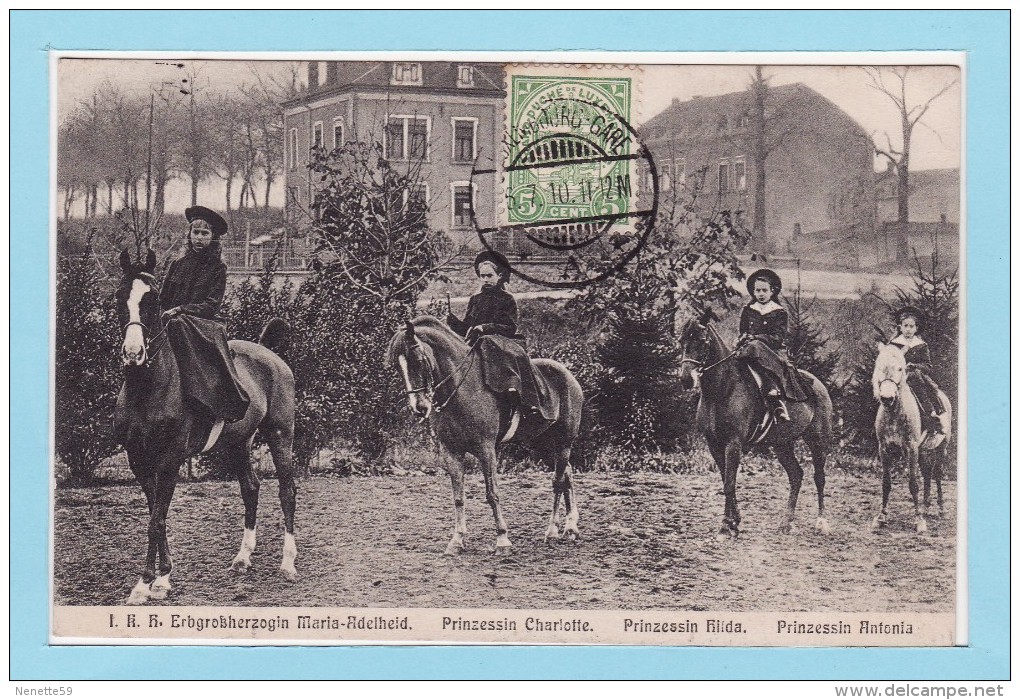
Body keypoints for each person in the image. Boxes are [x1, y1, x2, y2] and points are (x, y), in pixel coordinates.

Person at [161, 205, 250, 425]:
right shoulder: (177, 265)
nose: (199, 238)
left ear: (213, 238)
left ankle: (207, 397)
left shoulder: (217, 268)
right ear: (189, 235)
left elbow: (211, 304)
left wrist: (181, 310)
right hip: (172, 320)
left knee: (178, 326)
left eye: (205, 233)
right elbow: (163, 299)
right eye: (195, 232)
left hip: (203, 323)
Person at [447, 251, 552, 421]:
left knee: (488, 342)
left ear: (499, 276)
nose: (485, 280)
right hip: (479, 342)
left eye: (489, 276)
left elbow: (509, 327)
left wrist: (484, 328)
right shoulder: (475, 299)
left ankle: (514, 390)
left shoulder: (507, 299)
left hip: (504, 341)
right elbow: (468, 327)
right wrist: (454, 323)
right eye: (482, 276)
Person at [735, 268, 808, 421]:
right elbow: (742, 330)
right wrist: (742, 338)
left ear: (772, 291)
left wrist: (756, 338)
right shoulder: (748, 310)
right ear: (753, 292)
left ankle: (776, 399)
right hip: (750, 348)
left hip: (773, 350)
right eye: (757, 290)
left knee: (762, 355)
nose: (761, 294)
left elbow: (778, 337)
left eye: (764, 290)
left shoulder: (779, 312)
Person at [890, 306, 948, 437]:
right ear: (900, 327)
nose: (908, 329)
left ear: (916, 328)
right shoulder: (894, 344)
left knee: (917, 381)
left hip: (915, 376)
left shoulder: (921, 345)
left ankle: (931, 415)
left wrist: (914, 366)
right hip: (897, 376)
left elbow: (927, 366)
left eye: (911, 326)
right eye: (906, 326)